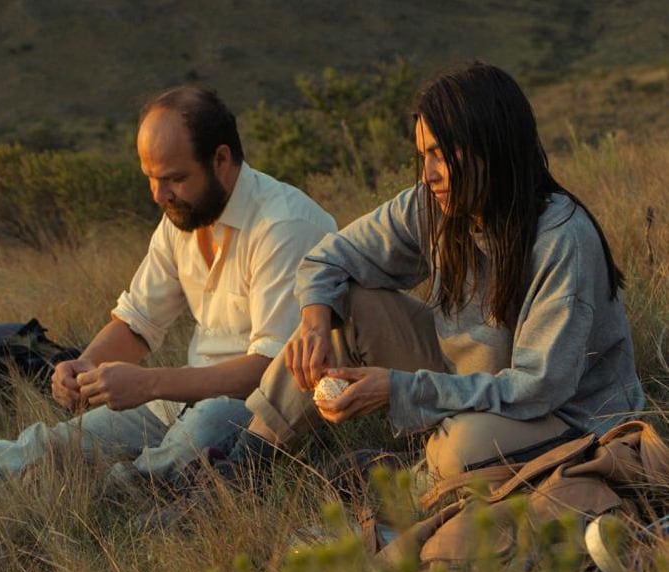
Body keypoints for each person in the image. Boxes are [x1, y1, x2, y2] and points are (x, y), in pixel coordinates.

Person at [0, 86, 336, 521]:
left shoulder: (282, 226)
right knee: (53, 443)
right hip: (181, 399)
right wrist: (81, 365)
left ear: (222, 159)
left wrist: (149, 383)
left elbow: (270, 371)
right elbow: (137, 324)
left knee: (197, 434)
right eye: (150, 177)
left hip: (261, 412)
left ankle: (103, 504)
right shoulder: (182, 217)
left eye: (173, 178)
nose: (159, 194)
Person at [225, 62, 644, 482]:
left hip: (566, 414)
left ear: (493, 147)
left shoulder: (561, 239)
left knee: (463, 449)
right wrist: (316, 320)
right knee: (342, 307)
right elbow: (328, 258)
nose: (428, 174)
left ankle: (407, 481)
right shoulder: (431, 204)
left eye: (441, 154)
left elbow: (538, 389)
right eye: (423, 155)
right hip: (471, 381)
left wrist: (400, 389)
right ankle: (246, 464)